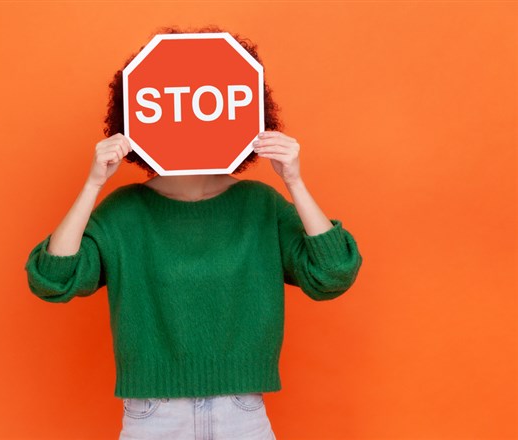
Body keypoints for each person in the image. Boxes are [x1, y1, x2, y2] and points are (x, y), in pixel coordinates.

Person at [24, 26, 363, 440]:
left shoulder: (260, 205)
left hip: (243, 410)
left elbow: (334, 273)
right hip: (152, 415)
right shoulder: (124, 213)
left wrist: (294, 180)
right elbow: (52, 279)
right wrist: (93, 183)